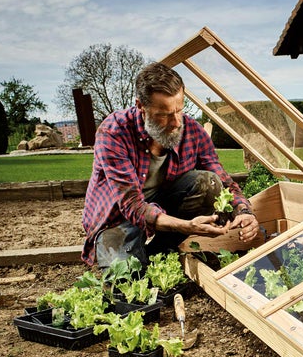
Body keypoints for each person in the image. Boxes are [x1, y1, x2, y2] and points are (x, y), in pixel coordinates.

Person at [81, 62, 258, 268]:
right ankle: (133, 256)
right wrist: (186, 226)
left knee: (209, 182)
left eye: (179, 111)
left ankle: (162, 253)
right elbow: (132, 205)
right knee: (125, 283)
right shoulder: (114, 132)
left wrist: (244, 211)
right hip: (118, 217)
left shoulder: (192, 131)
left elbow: (224, 182)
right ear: (141, 107)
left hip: (164, 206)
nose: (175, 122)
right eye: (164, 115)